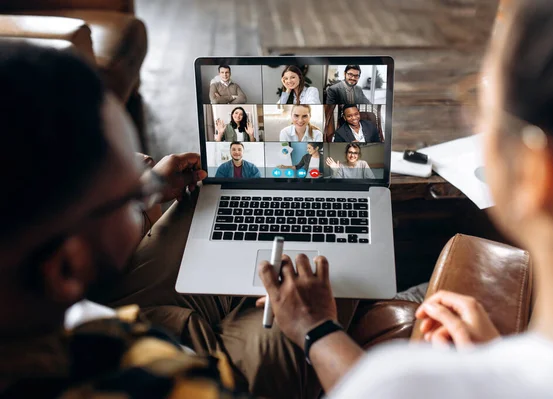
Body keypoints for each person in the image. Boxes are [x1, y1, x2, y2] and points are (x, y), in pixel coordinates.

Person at [258, 0, 553, 397]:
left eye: (480, 104)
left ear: (535, 175)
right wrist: (502, 357)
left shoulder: (400, 385)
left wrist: (313, 327)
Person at [0, 43, 365, 399]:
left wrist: (152, 187)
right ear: (67, 267)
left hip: (106, 305)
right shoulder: (177, 387)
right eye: (133, 198)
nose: (146, 196)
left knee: (210, 202)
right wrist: (316, 328)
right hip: (192, 355)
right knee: (335, 272)